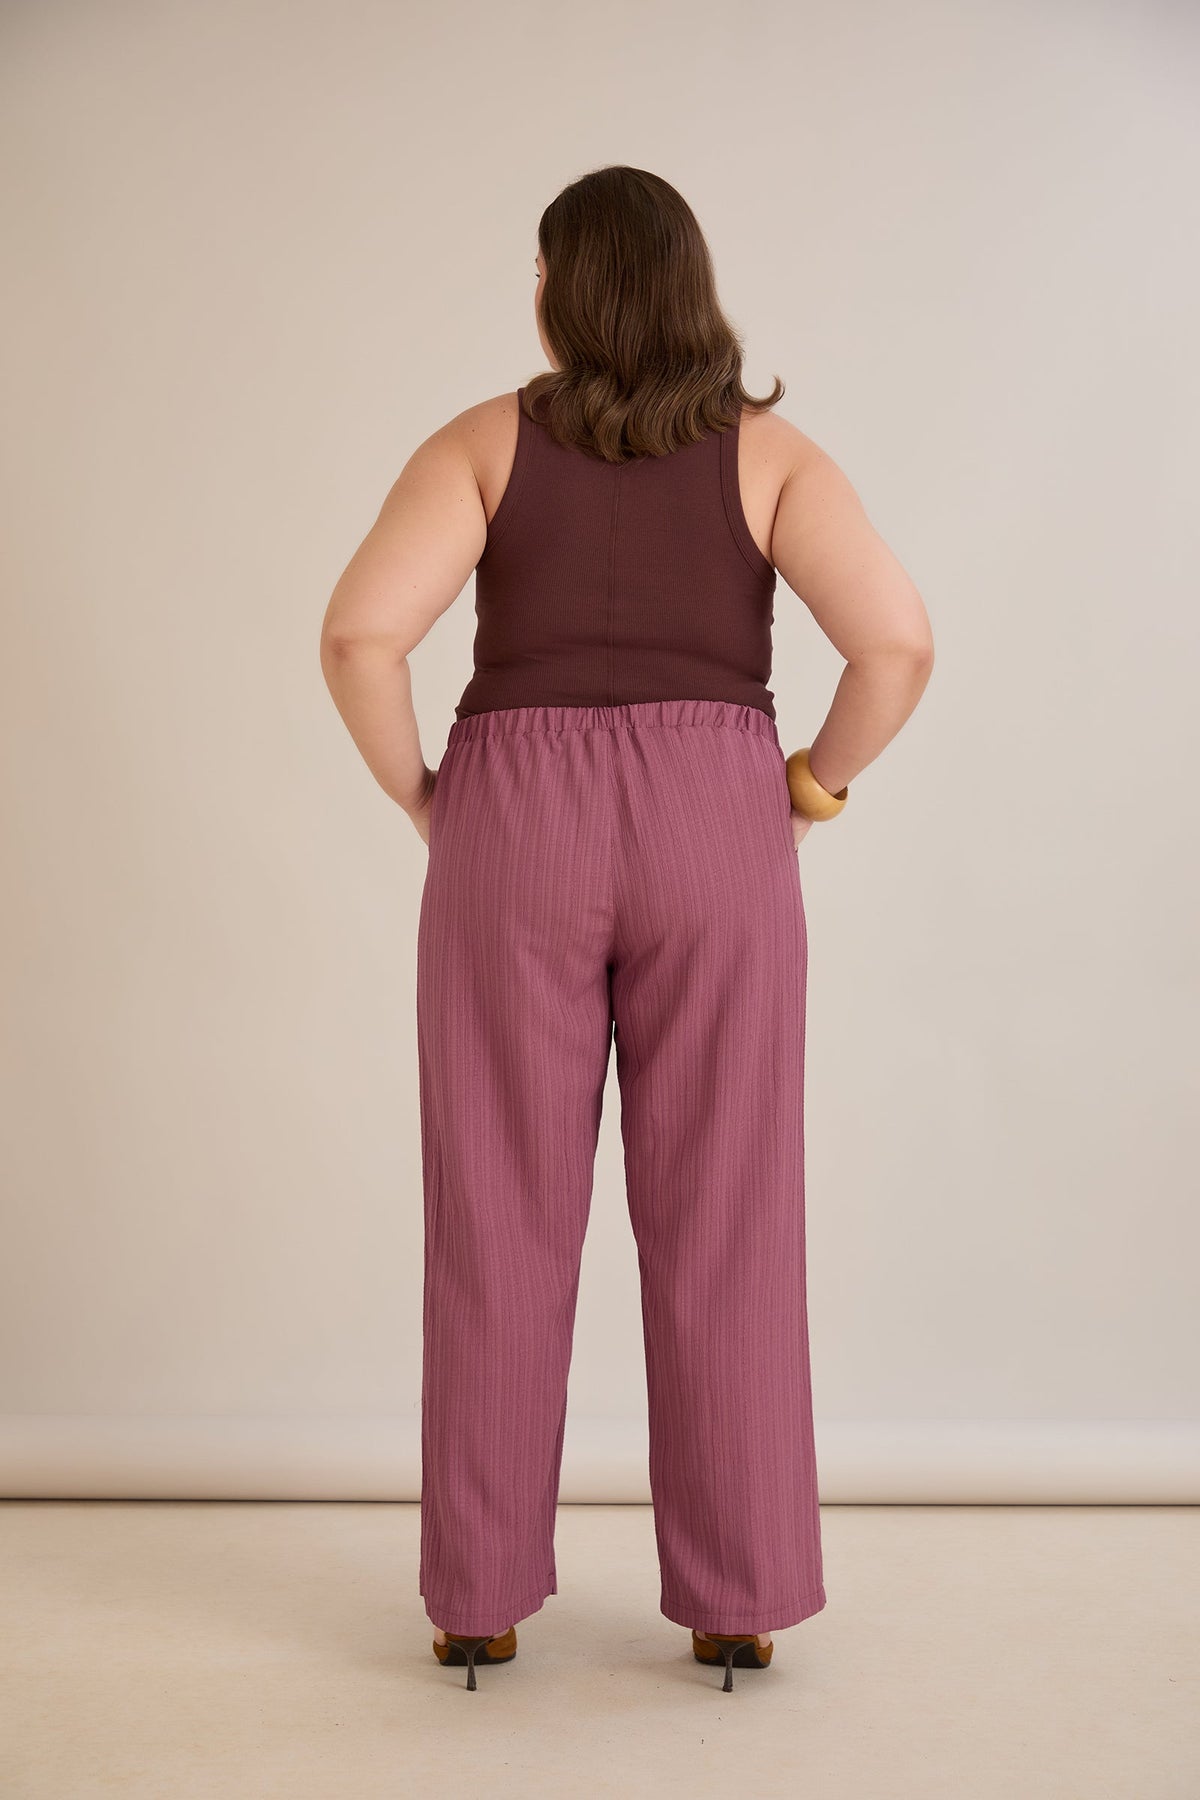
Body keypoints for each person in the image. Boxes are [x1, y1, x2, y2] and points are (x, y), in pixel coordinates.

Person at [320, 164, 934, 1693]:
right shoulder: (770, 455)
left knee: (497, 1212)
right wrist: (809, 791)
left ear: (557, 291)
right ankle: (738, 1598)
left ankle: (478, 1597)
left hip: (512, 818)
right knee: (727, 1210)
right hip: (717, 816)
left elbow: (360, 634)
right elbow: (898, 643)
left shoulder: (480, 444)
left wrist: (426, 799)